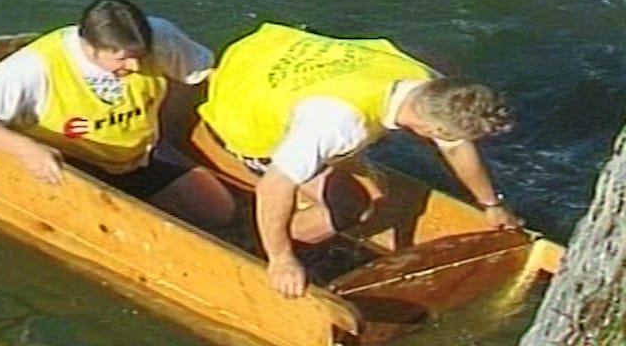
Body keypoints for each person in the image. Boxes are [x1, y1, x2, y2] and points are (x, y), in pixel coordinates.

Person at [197, 22, 522, 298]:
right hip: (242, 114)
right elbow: (274, 185)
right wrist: (281, 259)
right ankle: (255, 247)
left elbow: (455, 147)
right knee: (349, 206)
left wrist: (490, 204)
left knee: (335, 162)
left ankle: (282, 224)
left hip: (262, 51)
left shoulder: (425, 82)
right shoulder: (339, 123)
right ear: (430, 127)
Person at [0, 0, 235, 227]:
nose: (134, 67)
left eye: (139, 56)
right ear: (89, 47)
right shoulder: (35, 66)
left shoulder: (160, 37)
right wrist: (27, 149)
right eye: (121, 59)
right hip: (69, 162)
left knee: (219, 212)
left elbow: (205, 74)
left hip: (138, 152)